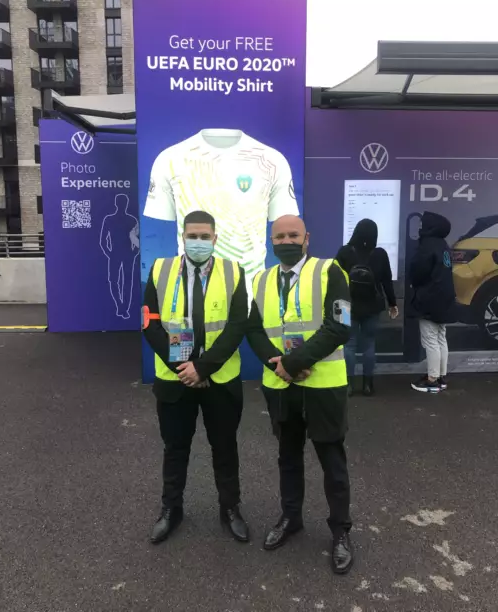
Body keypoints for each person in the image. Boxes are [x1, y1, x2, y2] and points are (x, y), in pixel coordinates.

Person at [247, 214, 354, 575]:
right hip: (281, 387)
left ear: (306, 238)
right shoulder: (261, 279)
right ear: (271, 241)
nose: (286, 241)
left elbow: (339, 326)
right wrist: (278, 364)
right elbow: (254, 329)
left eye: (293, 235)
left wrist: (295, 361)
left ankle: (341, 532)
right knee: (288, 458)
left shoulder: (330, 271)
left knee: (332, 463)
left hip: (322, 386)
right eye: (280, 236)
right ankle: (291, 518)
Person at [142, 210, 250, 544]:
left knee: (225, 447)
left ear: (215, 239)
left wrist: (203, 368)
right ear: (183, 237)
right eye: (193, 236)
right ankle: (171, 509)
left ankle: (230, 508)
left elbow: (236, 327)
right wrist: (184, 369)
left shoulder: (234, 272)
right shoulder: (160, 271)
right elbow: (151, 324)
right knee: (175, 448)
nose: (198, 242)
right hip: (176, 381)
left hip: (219, 381)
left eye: (205, 236)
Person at [143, 129, 299, 287]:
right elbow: (158, 226)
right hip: (190, 288)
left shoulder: (272, 160)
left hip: (251, 289)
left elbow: (285, 221)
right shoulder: (170, 159)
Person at [336, 219, 398, 397]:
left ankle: (347, 385)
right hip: (372, 306)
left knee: (348, 345)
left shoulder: (345, 252)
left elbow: (334, 277)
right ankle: (368, 385)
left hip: (346, 305)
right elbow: (386, 281)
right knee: (369, 344)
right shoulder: (380, 254)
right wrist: (392, 303)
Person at [409, 212, 457, 394]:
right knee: (440, 337)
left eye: (422, 224)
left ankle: (432, 380)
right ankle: (441, 376)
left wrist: (415, 283)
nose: (420, 227)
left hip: (429, 298)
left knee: (430, 340)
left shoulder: (427, 245)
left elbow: (418, 271)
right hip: (443, 298)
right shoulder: (442, 245)